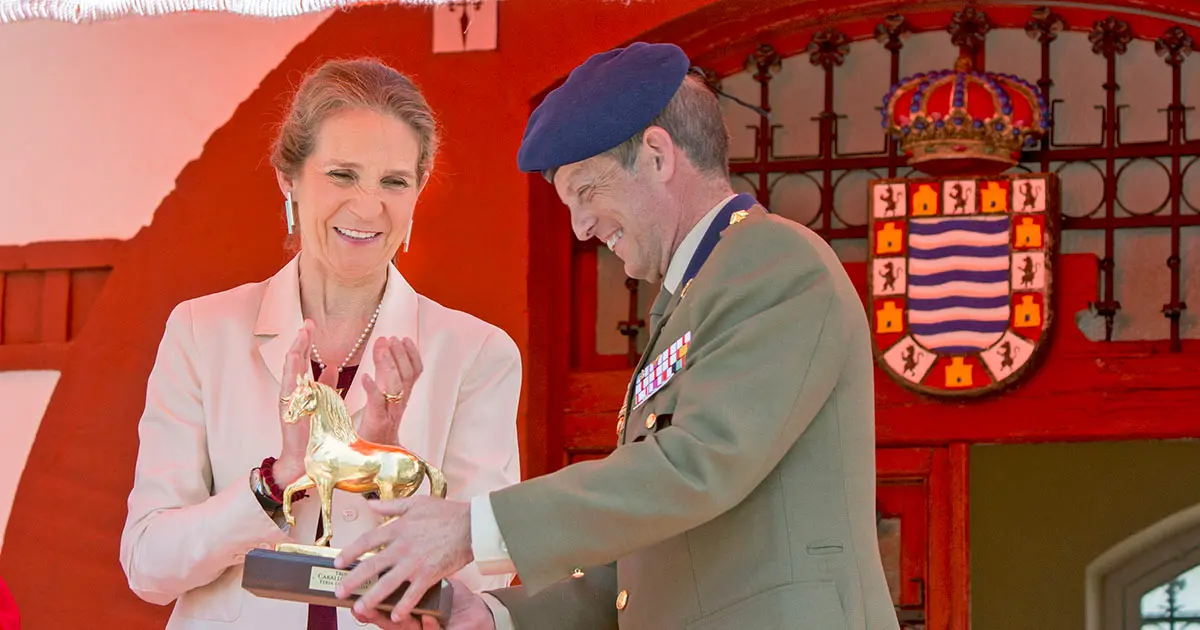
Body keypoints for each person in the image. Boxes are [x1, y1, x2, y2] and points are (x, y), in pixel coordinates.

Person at [332, 42, 900, 629]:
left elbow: (698, 465)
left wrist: (474, 528)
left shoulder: (773, 259)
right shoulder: (689, 300)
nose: (580, 227)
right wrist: (496, 617)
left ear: (656, 155)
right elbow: (642, 560)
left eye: (586, 192)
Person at [118, 58, 522, 630]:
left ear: (418, 190)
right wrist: (275, 482)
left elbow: (485, 580)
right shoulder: (200, 332)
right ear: (289, 178)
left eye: (394, 181)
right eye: (341, 174)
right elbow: (149, 565)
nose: (366, 206)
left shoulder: (479, 354)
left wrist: (385, 466)